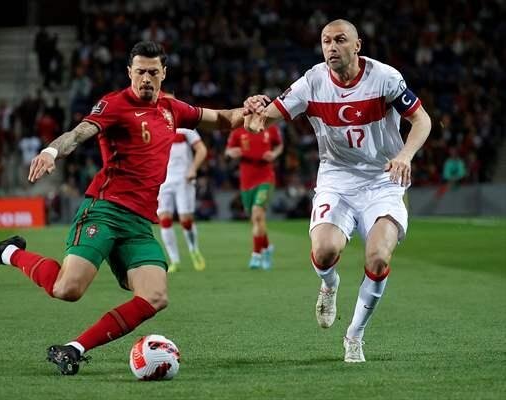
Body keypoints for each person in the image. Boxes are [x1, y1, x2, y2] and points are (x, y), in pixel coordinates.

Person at [0, 41, 251, 376]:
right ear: (130, 72)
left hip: (139, 224)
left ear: (164, 73)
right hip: (104, 211)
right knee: (67, 289)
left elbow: (223, 119)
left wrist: (252, 108)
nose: (146, 78)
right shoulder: (115, 104)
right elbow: (78, 134)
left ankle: (73, 349)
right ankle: (9, 252)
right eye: (140, 71)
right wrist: (51, 152)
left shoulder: (172, 109)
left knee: (155, 296)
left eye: (153, 72)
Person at [244, 19, 431, 362]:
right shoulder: (312, 82)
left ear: (357, 46)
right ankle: (329, 284)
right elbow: (263, 120)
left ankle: (354, 335)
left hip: (382, 180)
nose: (331, 47)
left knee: (378, 257)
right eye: (326, 41)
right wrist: (254, 111)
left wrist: (405, 155)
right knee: (325, 250)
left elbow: (422, 119)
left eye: (340, 40)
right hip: (336, 179)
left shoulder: (385, 78)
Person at [225, 125, 283, 269]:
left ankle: (256, 255)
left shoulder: (270, 127)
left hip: (266, 177)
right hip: (247, 180)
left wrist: (274, 154)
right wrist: (232, 153)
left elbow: (279, 145)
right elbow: (228, 150)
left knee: (257, 213)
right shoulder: (238, 130)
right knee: (256, 219)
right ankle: (267, 248)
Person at [157, 127, 207, 273]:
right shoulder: (156, 125)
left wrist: (193, 168)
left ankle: (194, 249)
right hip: (163, 180)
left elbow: (201, 149)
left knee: (186, 220)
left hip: (183, 179)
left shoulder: (186, 127)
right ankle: (174, 260)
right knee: (164, 219)